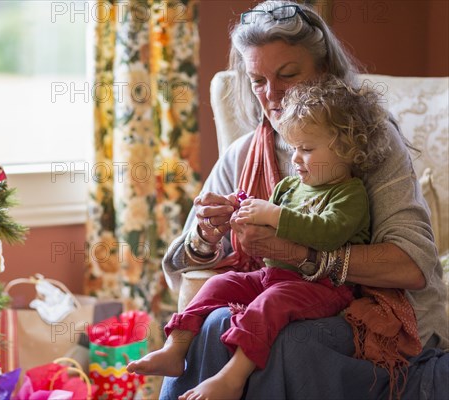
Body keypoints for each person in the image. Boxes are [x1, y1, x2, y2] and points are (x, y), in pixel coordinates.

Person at [157, 1, 449, 399]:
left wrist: (302, 253)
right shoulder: (245, 154)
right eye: (257, 80)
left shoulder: (365, 144)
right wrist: (207, 235)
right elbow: (185, 265)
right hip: (278, 299)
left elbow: (413, 265)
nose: (271, 95)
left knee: (289, 342)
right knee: (216, 323)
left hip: (374, 319)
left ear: (324, 72)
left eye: (288, 75)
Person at [128, 76, 389, 399]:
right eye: (293, 148)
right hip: (273, 275)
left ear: (347, 149)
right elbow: (267, 226)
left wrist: (272, 215)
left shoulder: (350, 194)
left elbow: (328, 232)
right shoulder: (289, 187)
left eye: (306, 149)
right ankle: (175, 348)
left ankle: (233, 376)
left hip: (322, 287)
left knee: (270, 304)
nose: (295, 159)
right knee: (218, 285)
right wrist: (239, 211)